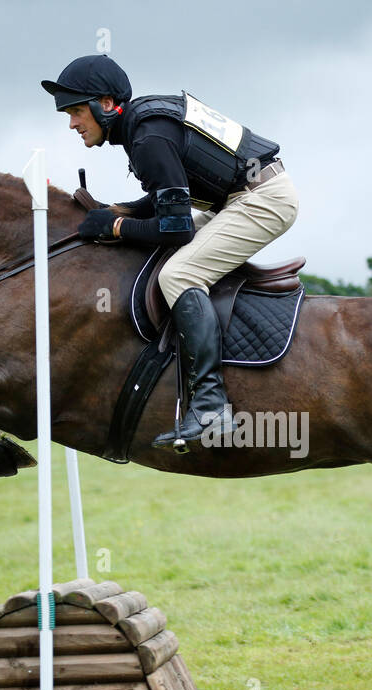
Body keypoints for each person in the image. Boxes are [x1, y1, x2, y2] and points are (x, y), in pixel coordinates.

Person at [42, 54, 299, 450]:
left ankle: (212, 405)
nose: (72, 124)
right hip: (240, 197)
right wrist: (118, 212)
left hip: (261, 199)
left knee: (178, 275)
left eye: (77, 111)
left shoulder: (147, 137)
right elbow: (164, 201)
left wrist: (114, 226)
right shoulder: (144, 125)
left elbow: (176, 228)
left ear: (106, 105)